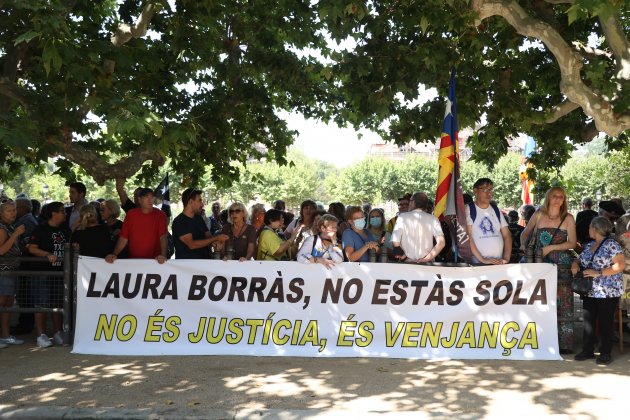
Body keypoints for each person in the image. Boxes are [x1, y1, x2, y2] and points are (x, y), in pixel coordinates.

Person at [520, 186, 577, 352]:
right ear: (548, 198)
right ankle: (539, 340)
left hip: (561, 264)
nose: (558, 199)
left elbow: (572, 243)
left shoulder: (568, 218)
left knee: (563, 302)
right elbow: (525, 233)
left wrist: (551, 247)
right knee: (539, 301)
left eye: (561, 196)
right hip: (538, 263)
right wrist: (524, 245)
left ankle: (565, 343)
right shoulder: (538, 214)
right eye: (555, 196)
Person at [572, 216, 626, 365]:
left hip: (607, 290)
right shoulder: (590, 245)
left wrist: (599, 272)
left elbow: (620, 266)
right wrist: (575, 264)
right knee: (588, 320)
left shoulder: (612, 245)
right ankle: (587, 350)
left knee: (605, 321)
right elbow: (580, 259)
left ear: (595, 229)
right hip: (589, 289)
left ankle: (605, 352)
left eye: (589, 227)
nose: (588, 229)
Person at [25, 201, 71, 348]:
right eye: (62, 211)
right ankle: (41, 335)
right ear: (54, 213)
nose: (65, 214)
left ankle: (58, 332)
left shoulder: (65, 229)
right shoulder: (41, 229)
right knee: (41, 304)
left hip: (59, 273)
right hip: (41, 272)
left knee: (57, 303)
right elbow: (32, 248)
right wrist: (47, 254)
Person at [106, 188, 168, 264]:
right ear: (139, 199)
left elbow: (163, 237)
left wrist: (163, 255)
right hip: (134, 261)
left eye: (152, 197)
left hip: (155, 261)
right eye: (146, 197)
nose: (150, 200)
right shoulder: (131, 214)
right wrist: (114, 254)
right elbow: (124, 238)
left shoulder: (160, 215)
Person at [171, 188, 228, 259]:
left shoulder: (199, 218)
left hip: (205, 264)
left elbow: (208, 236)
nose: (202, 204)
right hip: (187, 267)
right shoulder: (179, 221)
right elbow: (192, 244)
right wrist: (215, 238)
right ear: (191, 202)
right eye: (200, 200)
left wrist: (216, 242)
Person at [466, 178, 511, 265]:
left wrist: (506, 258)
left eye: (491, 189)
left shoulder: (496, 210)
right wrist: (483, 259)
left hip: (498, 264)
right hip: (478, 265)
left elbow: (507, 235)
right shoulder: (469, 209)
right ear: (475, 191)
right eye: (485, 189)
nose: (489, 193)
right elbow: (468, 237)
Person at [391, 192, 445, 263]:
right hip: (427, 264)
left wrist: (403, 256)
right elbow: (441, 243)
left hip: (407, 263)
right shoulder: (433, 219)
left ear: (413, 202)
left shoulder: (402, 217)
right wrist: (426, 259)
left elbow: (395, 241)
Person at [0, 199, 25, 346]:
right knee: (3, 302)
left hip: (11, 271)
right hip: (3, 271)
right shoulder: (3, 229)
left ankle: (5, 335)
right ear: (1, 213)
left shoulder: (9, 227)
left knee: (8, 304)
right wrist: (15, 234)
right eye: (9, 210)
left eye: (14, 210)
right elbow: (1, 251)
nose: (13, 213)